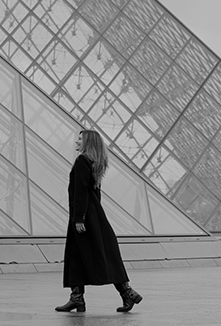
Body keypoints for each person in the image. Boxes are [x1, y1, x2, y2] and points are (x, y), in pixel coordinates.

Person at [55, 129, 143, 314]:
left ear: (88, 141)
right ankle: (125, 293)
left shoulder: (81, 161)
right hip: (95, 215)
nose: (76, 141)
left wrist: (79, 218)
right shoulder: (96, 162)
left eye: (80, 138)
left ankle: (79, 298)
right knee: (103, 255)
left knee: (76, 254)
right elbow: (95, 193)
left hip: (84, 216)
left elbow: (81, 192)